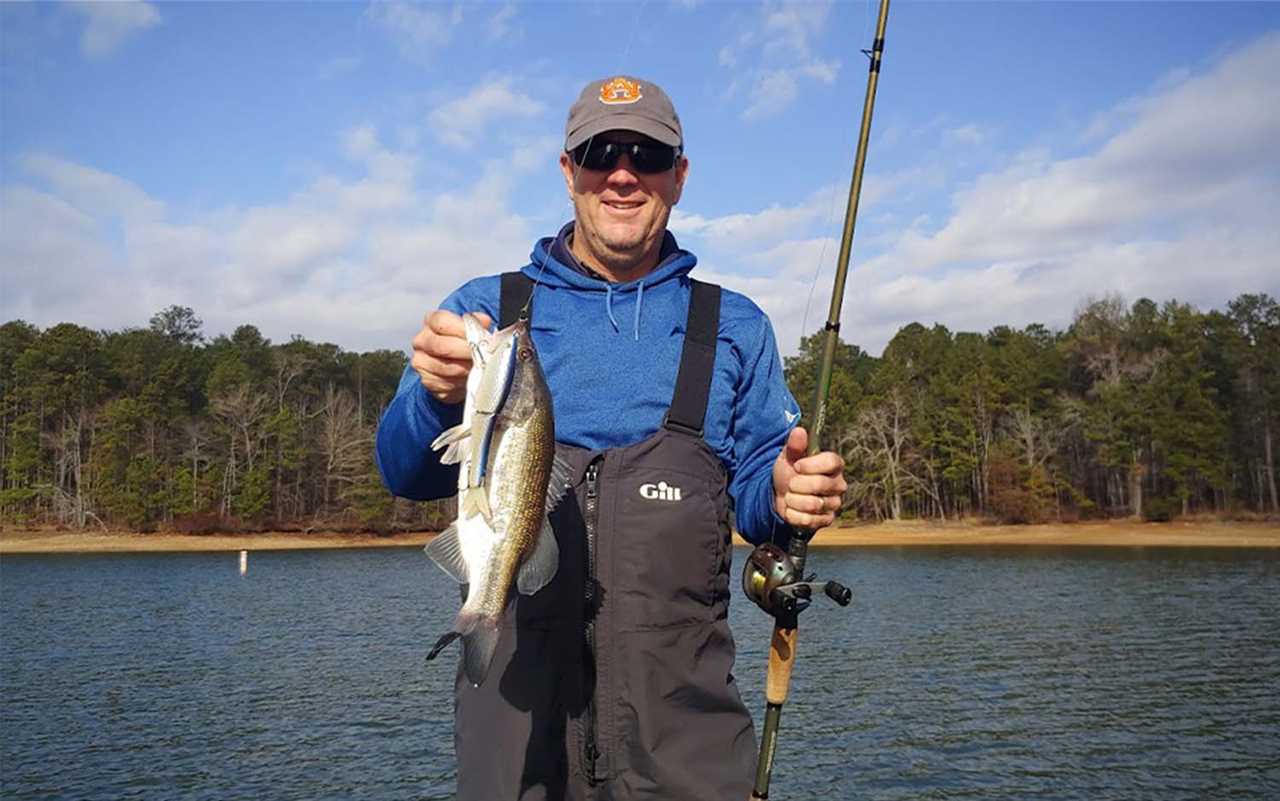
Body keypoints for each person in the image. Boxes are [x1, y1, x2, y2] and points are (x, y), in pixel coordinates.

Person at [375, 75, 847, 801]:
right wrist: (439, 398)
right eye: (600, 152)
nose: (622, 173)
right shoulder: (485, 312)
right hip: (514, 736)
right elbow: (404, 470)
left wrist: (784, 494)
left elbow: (754, 491)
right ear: (569, 171)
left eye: (648, 154)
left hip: (685, 738)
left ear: (679, 177)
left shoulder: (735, 326)